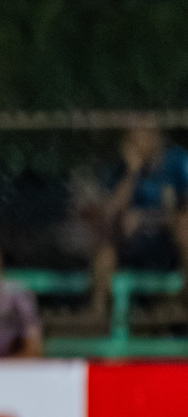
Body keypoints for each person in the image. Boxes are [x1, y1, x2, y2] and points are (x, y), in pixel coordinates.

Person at [76, 123, 188, 313]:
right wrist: (132, 172)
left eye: (143, 133)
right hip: (133, 245)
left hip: (168, 243)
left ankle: (181, 305)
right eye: (132, 136)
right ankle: (99, 316)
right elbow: (109, 212)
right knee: (105, 250)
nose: (136, 140)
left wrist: (148, 219)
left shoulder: (177, 162)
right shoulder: (120, 169)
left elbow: (180, 211)